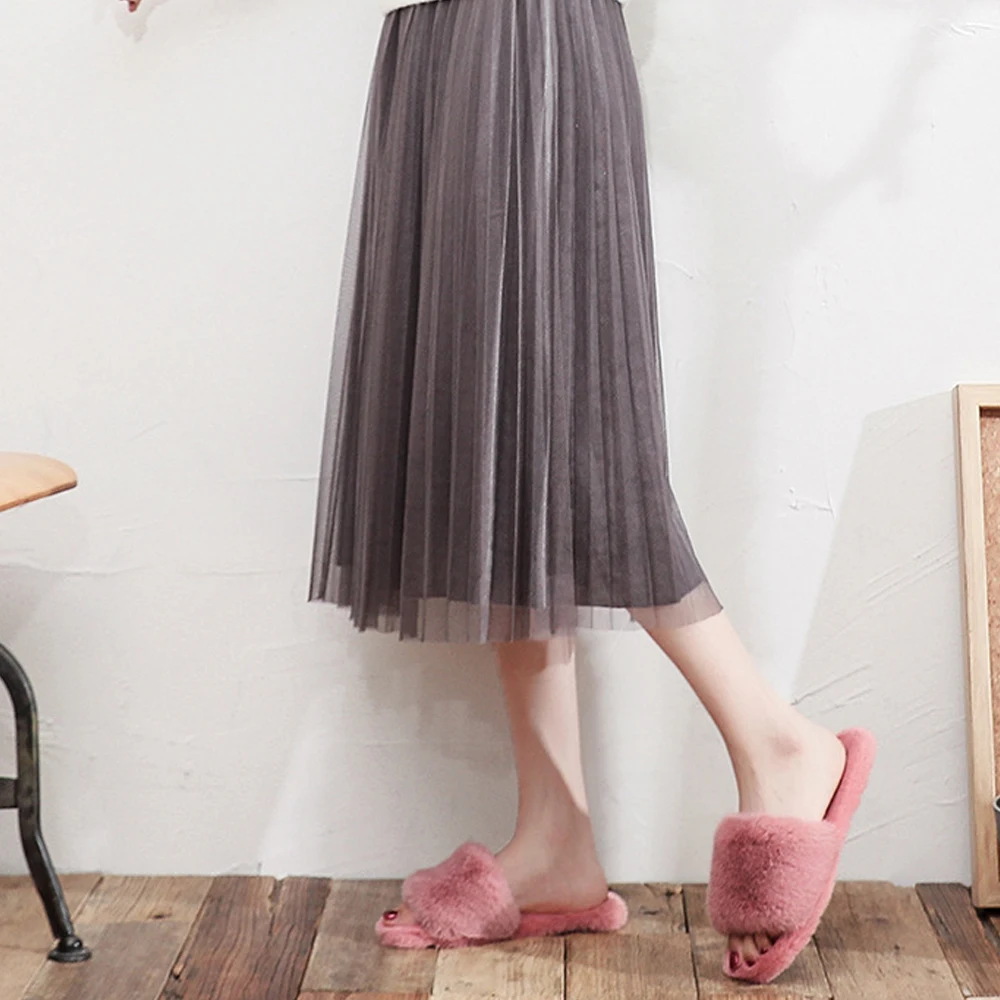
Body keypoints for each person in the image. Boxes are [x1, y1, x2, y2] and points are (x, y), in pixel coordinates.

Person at [123, 0, 875, 982]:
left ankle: (777, 743)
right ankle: (556, 834)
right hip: (437, 41)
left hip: (526, 41)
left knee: (584, 456)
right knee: (502, 455)